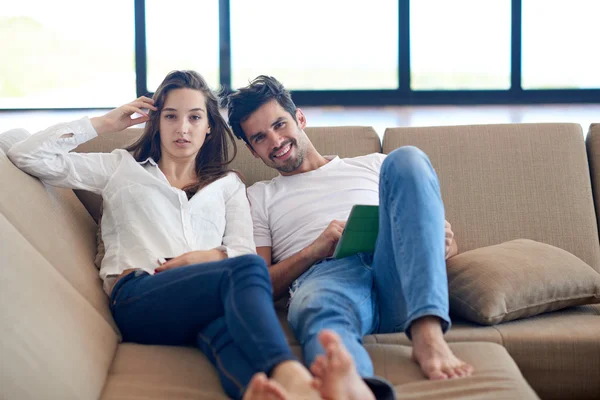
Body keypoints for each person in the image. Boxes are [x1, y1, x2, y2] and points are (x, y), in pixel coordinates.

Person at [7, 70, 382, 400]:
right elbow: (27, 155)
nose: (182, 128)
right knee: (248, 271)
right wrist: (107, 123)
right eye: (170, 116)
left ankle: (265, 392)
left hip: (203, 299)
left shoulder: (229, 186)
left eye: (194, 117)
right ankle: (291, 373)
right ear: (156, 123)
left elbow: (240, 250)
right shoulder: (120, 168)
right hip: (139, 295)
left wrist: (208, 258)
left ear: (208, 128)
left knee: (227, 336)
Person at [225, 75, 475, 383]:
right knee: (320, 308)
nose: (275, 142)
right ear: (252, 150)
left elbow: (447, 244)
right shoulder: (259, 196)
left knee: (408, 158)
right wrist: (313, 251)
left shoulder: (373, 165)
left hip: (396, 270)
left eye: (279, 125)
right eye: (260, 138)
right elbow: (258, 283)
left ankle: (427, 331)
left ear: (299, 118)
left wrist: (440, 244)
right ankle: (352, 385)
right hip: (327, 278)